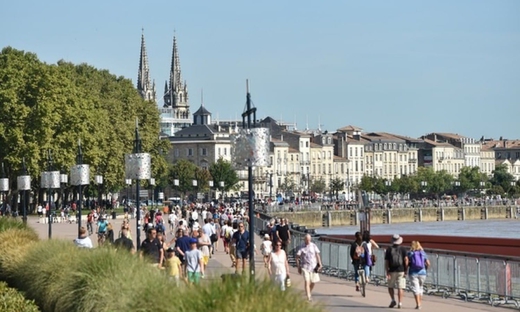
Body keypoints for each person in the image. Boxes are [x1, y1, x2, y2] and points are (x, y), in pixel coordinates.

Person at [296, 234, 322, 302]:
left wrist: (320, 264)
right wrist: (298, 266)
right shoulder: (301, 247)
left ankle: (308, 292)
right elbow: (297, 257)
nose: (308, 241)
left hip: (313, 267)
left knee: (313, 282)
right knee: (307, 281)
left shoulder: (313, 245)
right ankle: (308, 297)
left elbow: (317, 254)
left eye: (309, 239)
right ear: (304, 239)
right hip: (305, 267)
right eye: (307, 239)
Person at [385, 234, 409, 309]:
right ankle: (400, 303)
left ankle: (393, 300)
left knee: (390, 286)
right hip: (401, 270)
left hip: (391, 270)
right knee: (400, 287)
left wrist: (387, 271)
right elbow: (406, 260)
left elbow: (386, 262)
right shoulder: (403, 249)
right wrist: (406, 270)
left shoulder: (389, 249)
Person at [408, 241, 430, 310]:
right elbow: (428, 263)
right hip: (423, 273)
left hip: (413, 273)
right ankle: (420, 303)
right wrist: (425, 269)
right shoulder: (423, 253)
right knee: (420, 288)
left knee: (415, 289)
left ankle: (418, 304)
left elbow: (406, 261)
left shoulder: (410, 253)